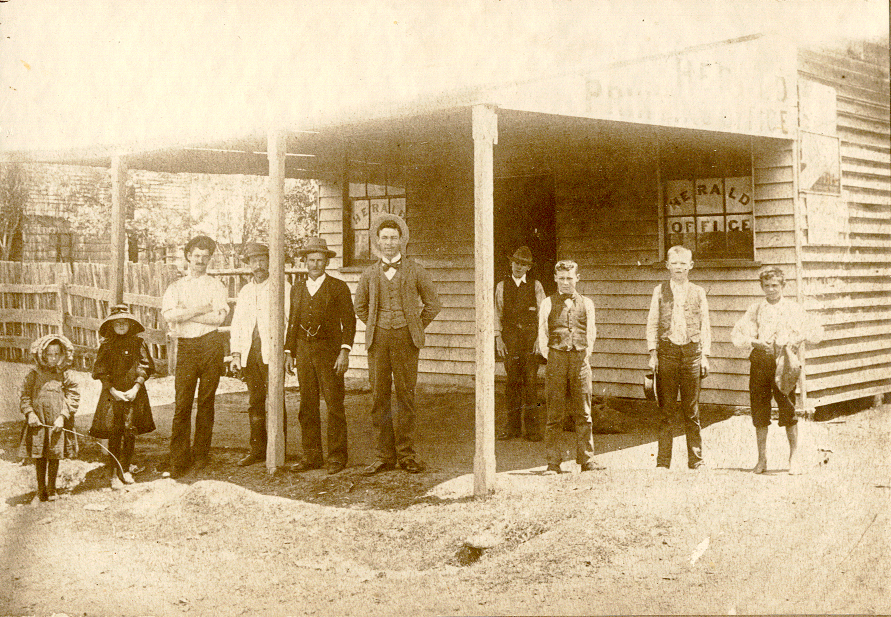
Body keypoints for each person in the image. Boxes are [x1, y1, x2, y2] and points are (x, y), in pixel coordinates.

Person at [355, 213, 441, 475]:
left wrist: (413, 325)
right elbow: (360, 306)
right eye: (385, 238)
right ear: (377, 242)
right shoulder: (369, 273)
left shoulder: (416, 270)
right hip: (378, 340)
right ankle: (384, 456)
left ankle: (406, 455)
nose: (389, 243)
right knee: (379, 397)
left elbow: (433, 304)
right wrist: (375, 323)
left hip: (406, 340)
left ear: (402, 240)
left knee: (406, 396)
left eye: (394, 238)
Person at [731, 266, 823, 475]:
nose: (771, 290)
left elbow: (815, 332)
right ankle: (762, 459)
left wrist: (795, 339)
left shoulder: (793, 308)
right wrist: (755, 341)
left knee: (788, 409)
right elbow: (737, 336)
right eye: (767, 286)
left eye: (775, 285)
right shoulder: (756, 309)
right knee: (759, 410)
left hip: (785, 364)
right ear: (761, 287)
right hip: (761, 362)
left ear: (783, 286)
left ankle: (794, 458)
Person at [284, 237, 356, 475]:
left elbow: (349, 322)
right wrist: (289, 352)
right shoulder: (297, 288)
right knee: (307, 404)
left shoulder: (338, 287)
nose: (315, 264)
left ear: (326, 262)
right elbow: (292, 322)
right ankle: (311, 456)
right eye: (311, 260)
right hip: (304, 351)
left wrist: (344, 351)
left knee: (334, 404)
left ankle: (337, 457)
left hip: (330, 352)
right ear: (305, 262)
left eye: (320, 260)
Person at [161, 235, 229, 478]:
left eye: (205, 256)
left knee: (206, 401)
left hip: (211, 345)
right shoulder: (176, 287)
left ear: (210, 259)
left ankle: (201, 454)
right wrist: (201, 309)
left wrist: (186, 314)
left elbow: (219, 318)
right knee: (182, 403)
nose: (200, 260)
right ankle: (178, 458)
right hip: (187, 348)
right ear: (188, 256)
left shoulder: (216, 285)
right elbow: (169, 316)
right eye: (196, 256)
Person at [646, 245, 712, 470]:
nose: (679, 268)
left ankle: (696, 460)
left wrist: (705, 356)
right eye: (674, 263)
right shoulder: (659, 291)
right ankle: (663, 462)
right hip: (667, 353)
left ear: (690, 266)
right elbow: (653, 323)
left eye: (683, 263)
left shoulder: (699, 292)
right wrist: (653, 354)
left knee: (691, 410)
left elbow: (705, 327)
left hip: (692, 354)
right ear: (667, 266)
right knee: (666, 410)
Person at [229, 242, 291, 467]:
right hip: (250, 354)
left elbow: (289, 321)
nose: (259, 265)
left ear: (270, 261)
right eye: (254, 261)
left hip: (271, 353)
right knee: (255, 402)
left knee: (276, 400)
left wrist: (285, 351)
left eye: (263, 260)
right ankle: (257, 448)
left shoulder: (281, 287)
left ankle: (278, 449)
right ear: (249, 265)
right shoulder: (245, 291)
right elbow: (237, 324)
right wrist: (236, 354)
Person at [537, 259, 599, 474]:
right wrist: (555, 355)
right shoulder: (547, 303)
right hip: (556, 360)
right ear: (555, 278)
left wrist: (582, 354)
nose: (565, 282)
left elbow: (591, 333)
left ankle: (587, 459)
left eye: (569, 278)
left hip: (580, 360)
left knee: (583, 411)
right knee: (555, 413)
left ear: (577, 278)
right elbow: (542, 334)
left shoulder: (587, 303)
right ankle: (553, 463)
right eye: (561, 278)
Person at [89, 304, 157, 488]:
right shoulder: (106, 345)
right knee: (114, 432)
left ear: (130, 324)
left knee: (129, 432)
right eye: (116, 322)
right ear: (110, 325)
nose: (120, 325)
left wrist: (136, 388)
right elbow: (101, 371)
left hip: (133, 394)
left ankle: (125, 469)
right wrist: (112, 391)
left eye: (124, 322)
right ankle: (113, 473)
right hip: (113, 395)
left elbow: (145, 367)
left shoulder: (138, 343)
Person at [19, 334, 80, 503]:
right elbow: (24, 396)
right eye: (49, 355)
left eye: (56, 354)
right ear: (42, 354)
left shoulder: (65, 375)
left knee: (54, 454)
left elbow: (73, 396)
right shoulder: (34, 374)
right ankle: (40, 491)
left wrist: (62, 416)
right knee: (40, 456)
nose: (52, 359)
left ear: (62, 355)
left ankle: (52, 489)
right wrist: (30, 413)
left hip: (56, 423)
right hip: (38, 423)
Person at [496, 246, 547, 442]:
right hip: (510, 339)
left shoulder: (536, 286)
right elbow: (496, 313)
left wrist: (539, 339)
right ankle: (512, 427)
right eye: (516, 262)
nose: (519, 267)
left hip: (530, 340)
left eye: (524, 264)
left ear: (529, 268)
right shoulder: (502, 286)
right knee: (512, 383)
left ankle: (533, 430)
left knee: (531, 384)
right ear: (511, 263)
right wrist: (498, 338)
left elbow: (543, 316)